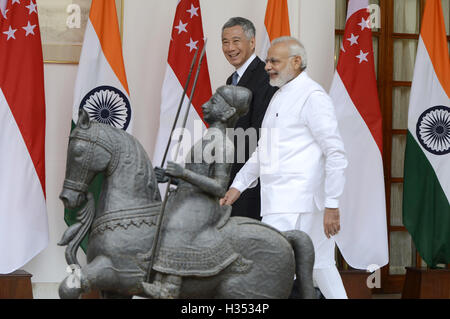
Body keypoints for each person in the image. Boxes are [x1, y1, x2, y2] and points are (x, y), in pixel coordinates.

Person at [220, 36, 349, 299]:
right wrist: (237, 187)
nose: (267, 66)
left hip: (299, 205)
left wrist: (332, 203)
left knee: (279, 268)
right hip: (281, 201)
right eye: (267, 61)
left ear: (297, 61)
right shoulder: (279, 95)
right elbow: (264, 151)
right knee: (319, 266)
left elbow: (335, 152)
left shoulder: (313, 96)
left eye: (274, 61)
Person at [142, 85, 252, 299]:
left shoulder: (224, 145)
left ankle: (170, 286)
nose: (204, 105)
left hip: (203, 205)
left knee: (178, 225)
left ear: (228, 112)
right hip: (187, 197)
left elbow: (220, 187)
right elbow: (193, 176)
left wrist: (184, 174)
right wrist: (171, 177)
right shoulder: (206, 139)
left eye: (213, 102)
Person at [221, 17, 278, 221]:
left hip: (251, 183)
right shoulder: (232, 80)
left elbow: (260, 136)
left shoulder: (265, 77)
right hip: (231, 177)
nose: (230, 48)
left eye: (236, 41)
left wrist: (239, 180)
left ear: (252, 42)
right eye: (225, 42)